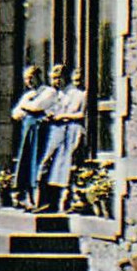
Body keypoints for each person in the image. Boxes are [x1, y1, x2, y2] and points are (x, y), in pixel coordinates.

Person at [38, 68, 88, 213]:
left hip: (72, 130)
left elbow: (81, 114)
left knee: (68, 165)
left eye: (58, 78)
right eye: (53, 78)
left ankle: (66, 203)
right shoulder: (57, 95)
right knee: (48, 163)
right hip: (57, 130)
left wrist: (63, 116)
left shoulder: (78, 94)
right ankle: (46, 202)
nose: (56, 82)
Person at [10, 65, 57, 212]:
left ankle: (39, 200)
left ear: (38, 76)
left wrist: (26, 106)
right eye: (26, 78)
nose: (28, 81)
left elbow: (38, 106)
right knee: (25, 161)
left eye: (31, 77)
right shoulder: (28, 94)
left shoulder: (49, 91)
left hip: (41, 132)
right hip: (27, 131)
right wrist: (25, 107)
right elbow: (16, 113)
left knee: (37, 162)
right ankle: (27, 199)